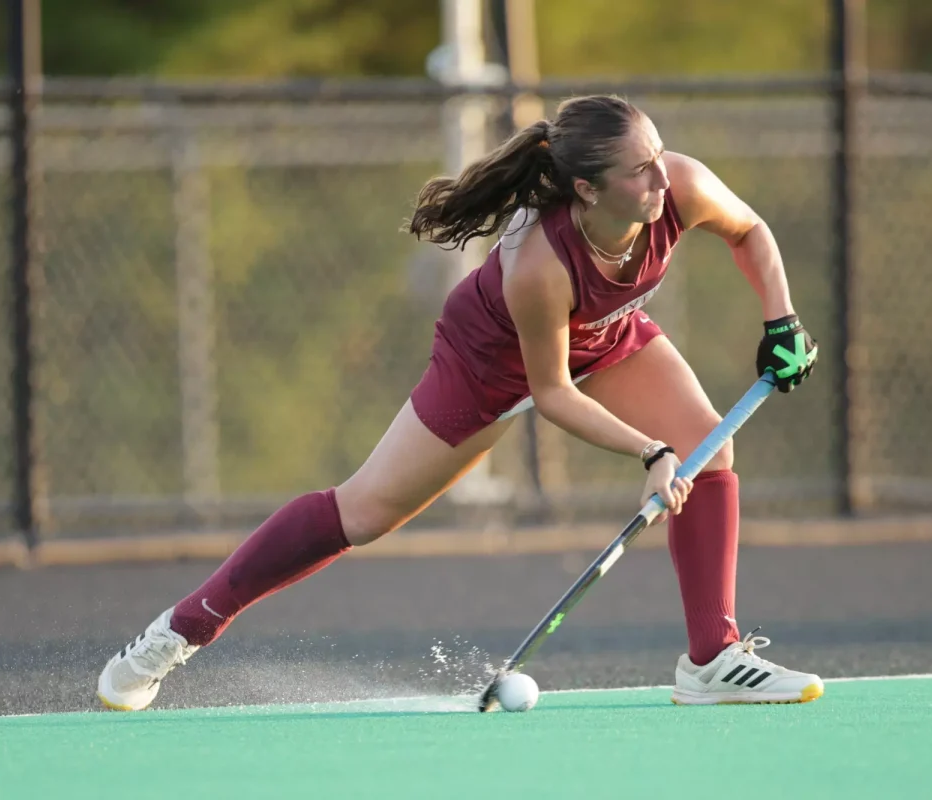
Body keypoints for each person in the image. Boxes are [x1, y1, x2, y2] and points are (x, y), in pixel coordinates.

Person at [96, 94, 821, 711]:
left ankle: (711, 660)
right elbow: (552, 394)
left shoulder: (681, 187)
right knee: (363, 514)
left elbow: (750, 231)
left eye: (659, 153)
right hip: (486, 365)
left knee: (711, 442)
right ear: (590, 190)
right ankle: (180, 630)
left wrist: (780, 322)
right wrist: (650, 452)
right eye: (641, 168)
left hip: (608, 338)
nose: (664, 173)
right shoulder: (539, 263)